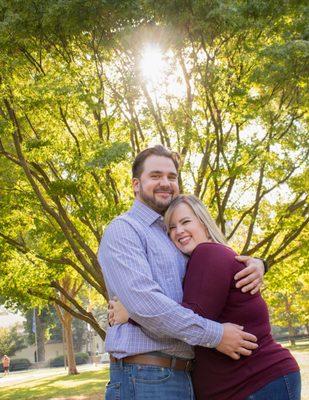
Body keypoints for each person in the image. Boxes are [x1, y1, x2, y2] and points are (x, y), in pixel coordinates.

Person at [98, 145, 265, 399]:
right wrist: (216, 335)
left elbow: (211, 283)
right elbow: (147, 305)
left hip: (184, 374)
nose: (165, 183)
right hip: (145, 374)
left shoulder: (174, 236)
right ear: (135, 184)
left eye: (172, 177)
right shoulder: (125, 230)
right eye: (155, 176)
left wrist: (259, 263)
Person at [111, 194, 301, 400]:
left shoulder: (207, 253)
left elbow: (193, 316)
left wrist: (134, 312)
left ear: (203, 222)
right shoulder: (207, 258)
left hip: (258, 382)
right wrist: (261, 263)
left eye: (185, 222)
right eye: (171, 228)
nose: (179, 231)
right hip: (245, 386)